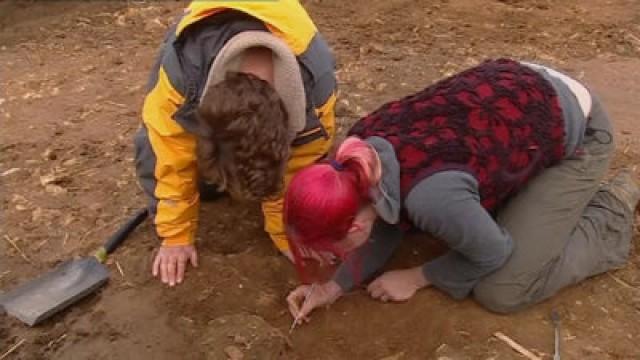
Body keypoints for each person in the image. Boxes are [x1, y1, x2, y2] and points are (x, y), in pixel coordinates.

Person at [284, 58, 640, 322]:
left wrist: (419, 277)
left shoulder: (432, 198)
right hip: (522, 90)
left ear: (355, 228)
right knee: (461, 216)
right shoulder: (356, 156)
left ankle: (612, 208)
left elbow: (492, 252)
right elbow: (386, 213)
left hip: (579, 133)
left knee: (502, 289)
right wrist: (335, 286)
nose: (332, 259)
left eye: (333, 252)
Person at [134, 1, 337, 287]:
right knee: (153, 148)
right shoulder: (182, 70)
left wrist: (285, 233)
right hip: (207, 29)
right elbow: (169, 155)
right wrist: (175, 235)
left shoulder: (317, 91)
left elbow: (298, 165)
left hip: (284, 28)